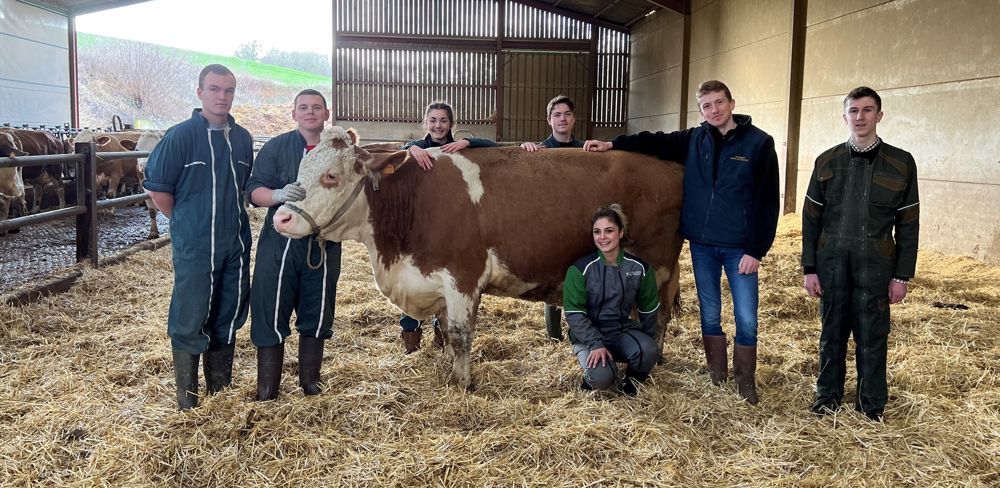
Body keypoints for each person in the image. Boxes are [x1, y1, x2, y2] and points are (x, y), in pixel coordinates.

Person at [583, 80, 779, 405]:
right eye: (706, 106)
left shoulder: (759, 144)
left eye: (719, 103)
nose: (713, 110)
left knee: (746, 316)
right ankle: (717, 376)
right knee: (710, 312)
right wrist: (613, 143)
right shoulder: (694, 138)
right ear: (700, 110)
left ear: (732, 103)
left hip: (739, 248)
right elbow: (653, 141)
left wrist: (756, 250)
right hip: (702, 245)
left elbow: (768, 201)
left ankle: (745, 381)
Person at [802, 86, 919, 422]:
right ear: (844, 117)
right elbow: (811, 220)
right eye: (854, 111)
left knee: (872, 334)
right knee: (832, 333)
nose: (860, 117)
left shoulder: (900, 163)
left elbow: (909, 224)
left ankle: (871, 405)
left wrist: (901, 276)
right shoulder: (827, 161)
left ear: (879, 115)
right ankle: (827, 398)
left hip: (877, 265)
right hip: (831, 263)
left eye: (868, 110)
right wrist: (810, 268)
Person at [143, 64, 254, 410]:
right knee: (191, 313)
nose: (222, 96)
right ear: (200, 92)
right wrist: (188, 222)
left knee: (228, 311)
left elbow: (244, 188)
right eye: (215, 89)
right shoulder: (180, 137)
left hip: (234, 242)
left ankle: (219, 393)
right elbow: (159, 190)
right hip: (195, 244)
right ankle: (188, 402)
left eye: (229, 90)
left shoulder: (242, 138)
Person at [247, 89, 342, 401]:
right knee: (270, 307)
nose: (310, 112)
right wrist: (277, 195)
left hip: (323, 243)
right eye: (304, 107)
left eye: (317, 107)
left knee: (318, 309)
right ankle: (267, 389)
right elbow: (253, 190)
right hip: (280, 243)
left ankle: (310, 384)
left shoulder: (338, 151)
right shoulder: (277, 147)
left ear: (326, 114)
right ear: (294, 114)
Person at [398, 101, 497, 353]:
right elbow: (397, 153)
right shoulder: (417, 148)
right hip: (420, 229)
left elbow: (493, 147)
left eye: (443, 120)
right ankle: (411, 342)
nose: (438, 125)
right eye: (433, 120)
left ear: (451, 124)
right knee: (415, 283)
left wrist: (468, 142)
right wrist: (411, 148)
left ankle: (442, 334)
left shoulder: (456, 148)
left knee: (446, 283)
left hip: (451, 229)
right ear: (425, 122)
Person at [563, 204, 660, 396]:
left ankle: (631, 385)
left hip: (621, 331)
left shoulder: (639, 268)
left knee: (649, 350)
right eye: (597, 232)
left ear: (621, 233)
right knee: (602, 379)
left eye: (609, 231)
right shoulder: (580, 269)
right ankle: (594, 378)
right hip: (589, 336)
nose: (602, 237)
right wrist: (595, 343)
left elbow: (649, 308)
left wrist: (646, 346)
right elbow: (574, 314)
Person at [520, 95, 585, 340]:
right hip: (550, 225)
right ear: (549, 120)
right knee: (554, 275)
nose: (562, 119)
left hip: (581, 221)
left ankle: (578, 331)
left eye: (567, 114)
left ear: (574, 118)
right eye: (557, 115)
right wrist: (526, 151)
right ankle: (554, 336)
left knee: (581, 276)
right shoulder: (538, 151)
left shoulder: (585, 151)